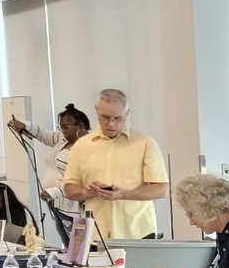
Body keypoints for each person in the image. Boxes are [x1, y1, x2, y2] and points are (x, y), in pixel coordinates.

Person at [61, 89, 168, 241]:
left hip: (138, 234)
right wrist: (87, 192)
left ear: (127, 113)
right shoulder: (82, 146)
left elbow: (161, 189)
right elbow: (69, 189)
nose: (111, 123)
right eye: (105, 117)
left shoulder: (145, 143)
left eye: (118, 118)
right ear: (96, 110)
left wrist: (124, 194)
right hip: (96, 235)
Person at [9, 103, 91, 237]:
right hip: (57, 204)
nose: (63, 131)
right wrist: (25, 126)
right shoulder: (63, 139)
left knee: (75, 249)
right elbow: (42, 134)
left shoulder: (88, 149)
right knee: (66, 248)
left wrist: (53, 192)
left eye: (66, 127)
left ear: (81, 126)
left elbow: (79, 182)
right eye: (61, 127)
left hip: (73, 209)